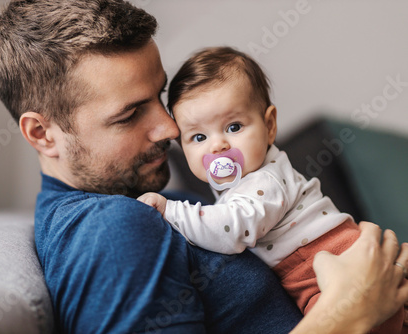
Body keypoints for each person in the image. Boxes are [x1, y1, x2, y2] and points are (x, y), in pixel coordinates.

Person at [0, 0, 408, 333]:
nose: (170, 128)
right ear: (42, 134)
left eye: (160, 97)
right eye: (130, 114)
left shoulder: (145, 203)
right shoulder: (111, 230)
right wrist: (348, 313)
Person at [137, 46, 405, 333]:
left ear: (269, 125)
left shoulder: (266, 181)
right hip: (313, 266)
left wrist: (171, 211)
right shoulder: (243, 183)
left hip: (326, 259)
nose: (218, 145)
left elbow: (232, 229)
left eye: (234, 126)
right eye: (199, 136)